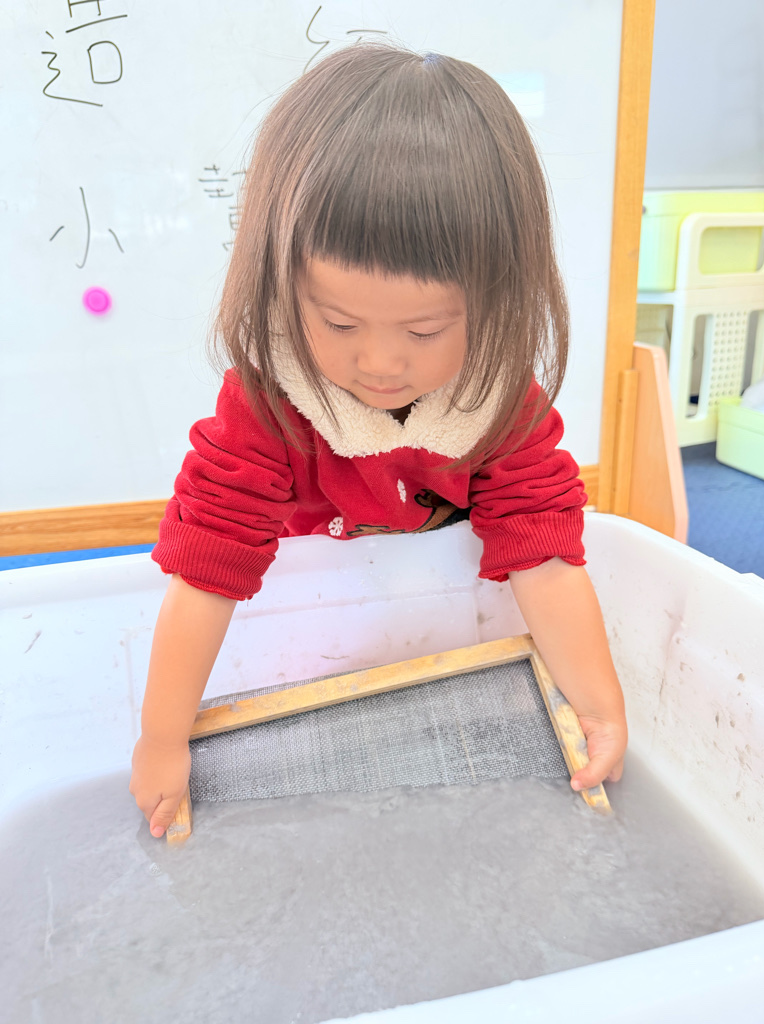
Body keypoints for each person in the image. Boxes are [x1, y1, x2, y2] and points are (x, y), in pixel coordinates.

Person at [129, 43, 627, 838]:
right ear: (282, 284)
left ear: (495, 300)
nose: (381, 364)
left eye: (425, 330)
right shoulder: (268, 405)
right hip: (303, 648)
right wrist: (161, 739)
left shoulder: (498, 403)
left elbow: (544, 554)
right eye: (338, 323)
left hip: (449, 649)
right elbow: (207, 569)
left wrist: (597, 707)